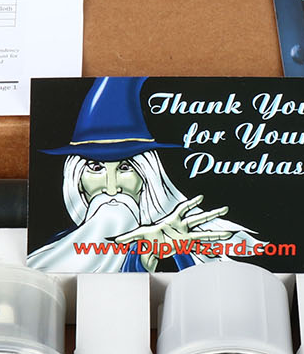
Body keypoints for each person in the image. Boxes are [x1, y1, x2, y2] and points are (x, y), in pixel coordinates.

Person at [26, 78, 262, 273]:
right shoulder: (52, 250)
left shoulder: (180, 245)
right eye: (96, 169)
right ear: (76, 178)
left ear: (147, 177)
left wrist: (164, 255)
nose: (111, 189)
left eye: (125, 168)